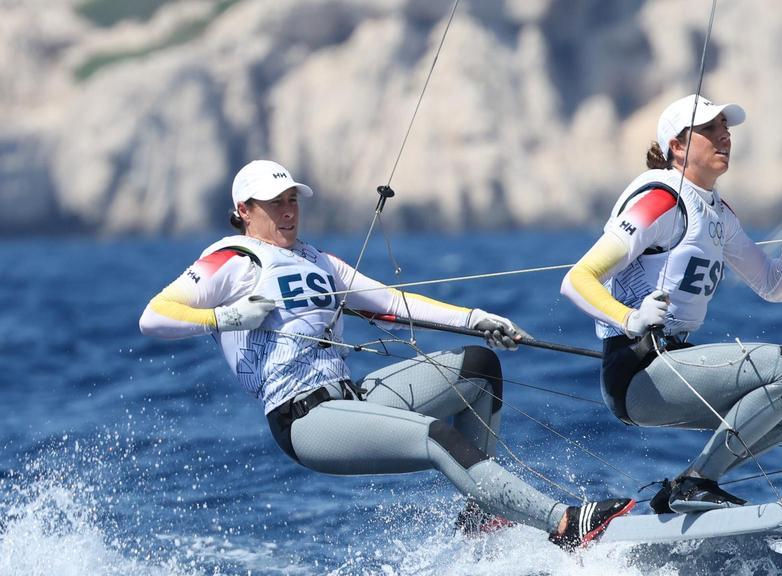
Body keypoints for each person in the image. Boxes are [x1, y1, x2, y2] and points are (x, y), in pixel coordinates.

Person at [140, 159, 633, 549]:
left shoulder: (317, 260)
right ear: (245, 210)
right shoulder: (232, 259)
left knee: (478, 369)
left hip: (351, 397)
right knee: (437, 437)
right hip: (304, 420)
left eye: (292, 200)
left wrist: (475, 320)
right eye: (275, 204)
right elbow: (155, 315)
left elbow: (392, 305)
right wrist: (224, 318)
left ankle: (484, 511)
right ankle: (564, 523)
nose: (288, 211)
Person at [560, 95, 782, 514]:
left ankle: (687, 484)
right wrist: (631, 318)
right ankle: (696, 483)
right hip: (635, 372)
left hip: (673, 364)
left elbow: (771, 286)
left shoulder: (717, 211)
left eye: (725, 127)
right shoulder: (661, 201)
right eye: (709, 128)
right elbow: (576, 279)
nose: (724, 135)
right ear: (678, 146)